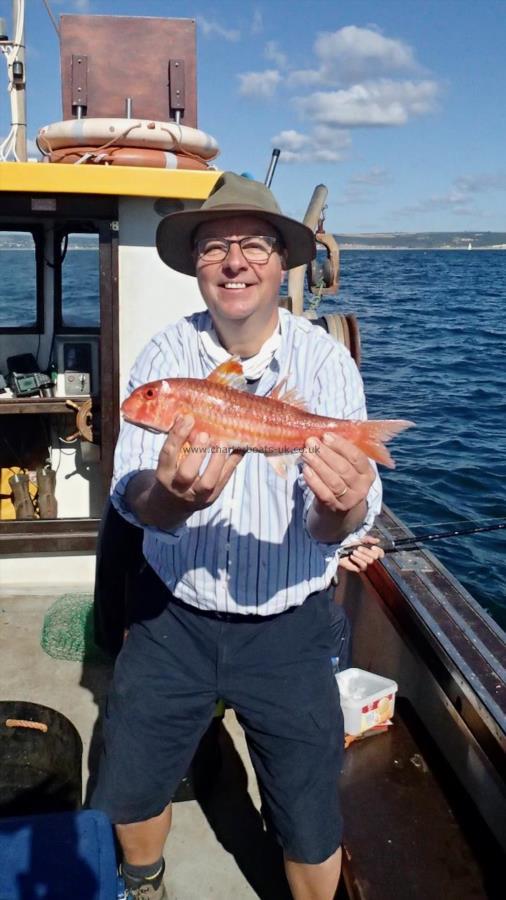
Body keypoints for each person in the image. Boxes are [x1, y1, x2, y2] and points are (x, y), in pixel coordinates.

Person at [90, 172, 382, 900]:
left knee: (310, 819)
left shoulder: (327, 364)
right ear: (196, 267)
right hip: (171, 620)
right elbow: (133, 498)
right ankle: (145, 883)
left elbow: (334, 524)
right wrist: (169, 499)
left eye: (254, 244)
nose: (234, 260)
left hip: (288, 629)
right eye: (215, 246)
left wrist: (342, 508)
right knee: (128, 782)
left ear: (283, 263)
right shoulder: (165, 357)